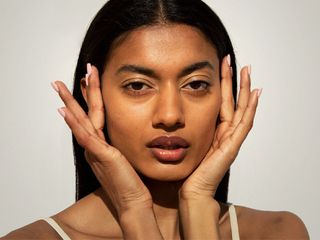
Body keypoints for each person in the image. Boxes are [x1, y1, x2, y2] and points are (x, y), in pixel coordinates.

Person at [2, 0, 309, 239]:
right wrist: (134, 209)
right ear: (91, 95)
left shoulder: (279, 232)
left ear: (225, 94)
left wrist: (200, 205)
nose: (170, 115)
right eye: (137, 86)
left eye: (196, 84)